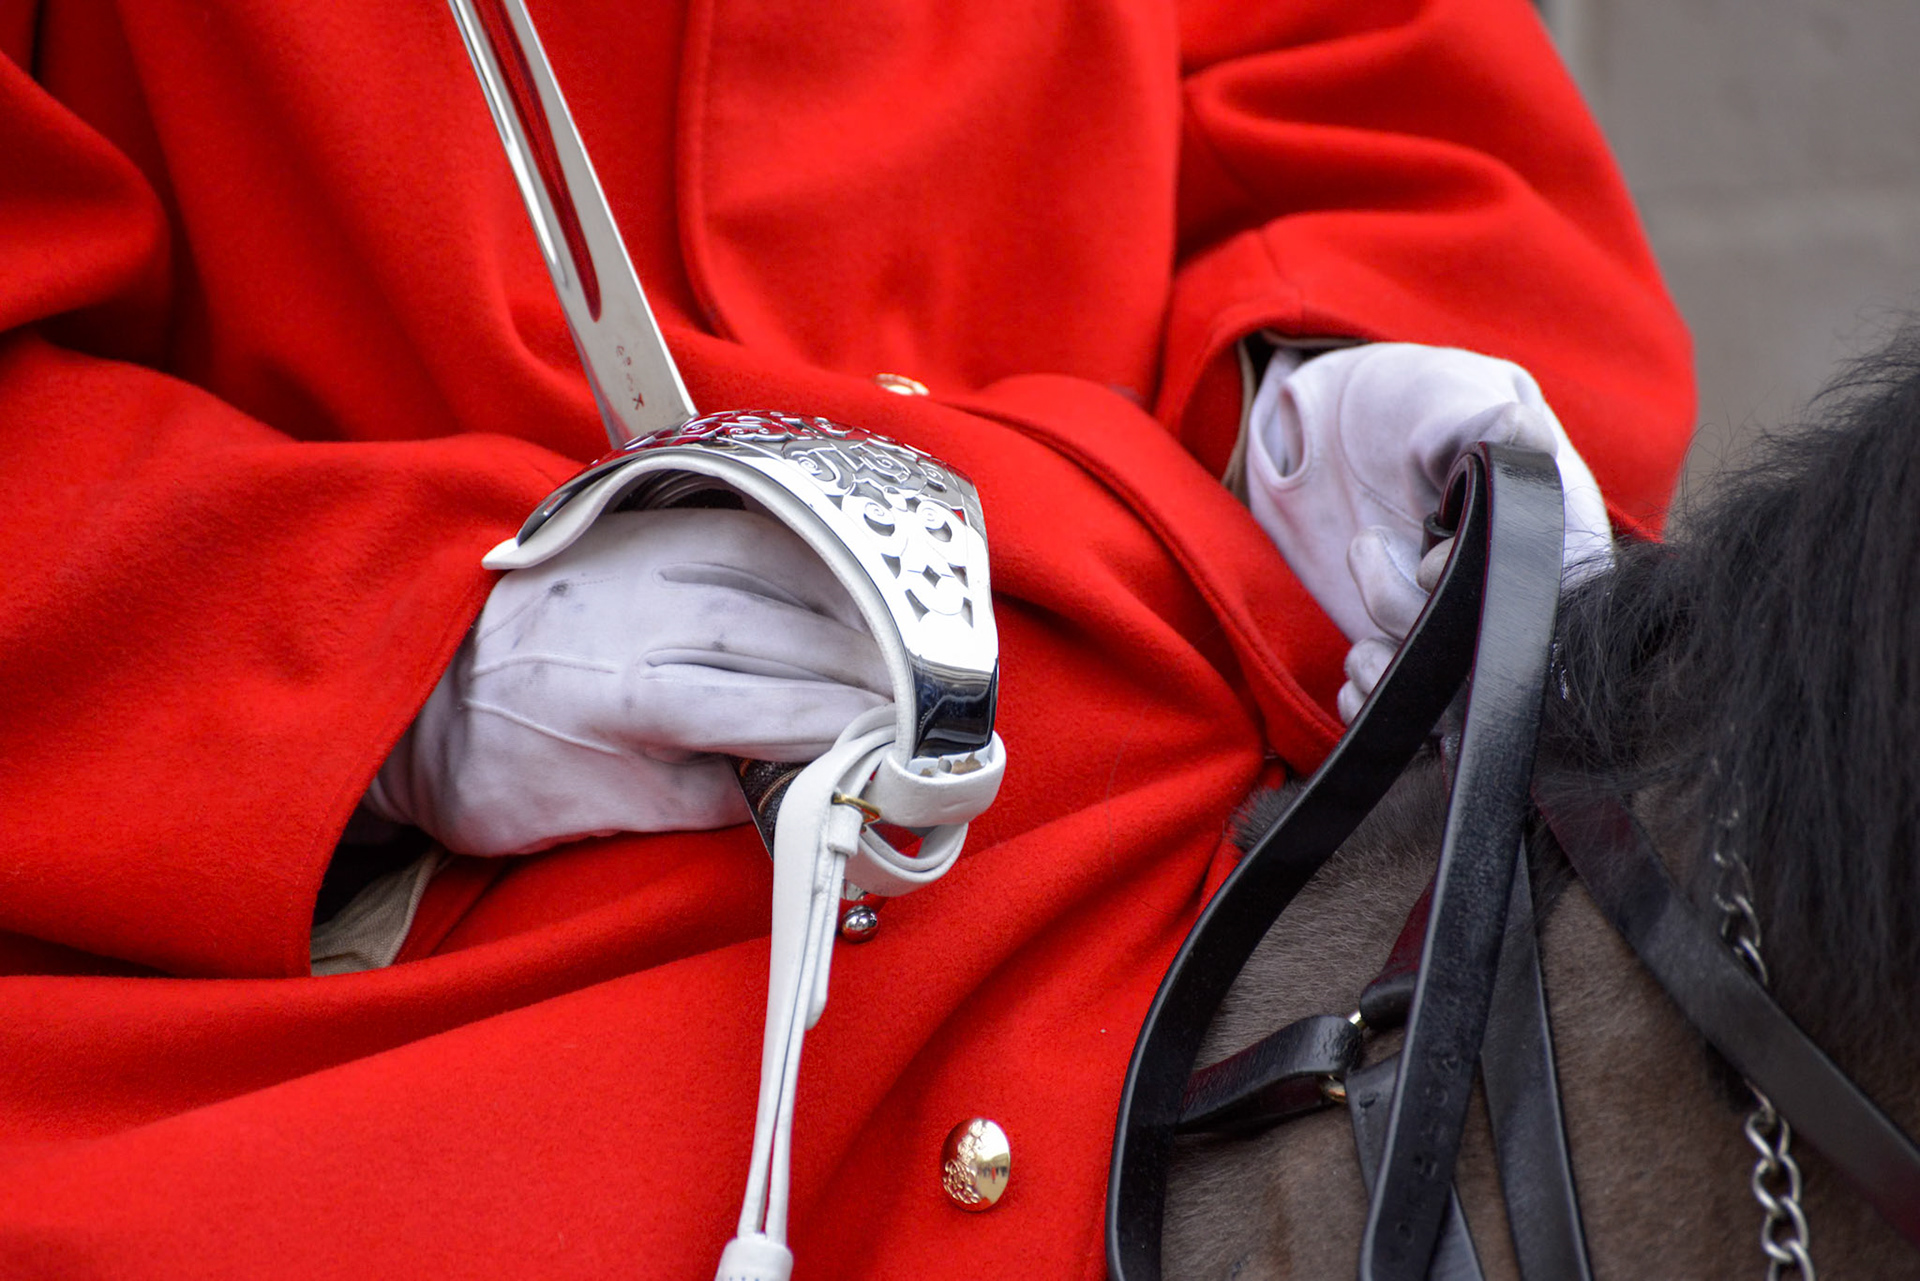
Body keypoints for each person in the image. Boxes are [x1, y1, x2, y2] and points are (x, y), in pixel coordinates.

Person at [0, 0, 1692, 1275]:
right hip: (372, 952)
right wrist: (378, 664)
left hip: (1172, 768)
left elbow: (1359, 75)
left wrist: (1302, 381)